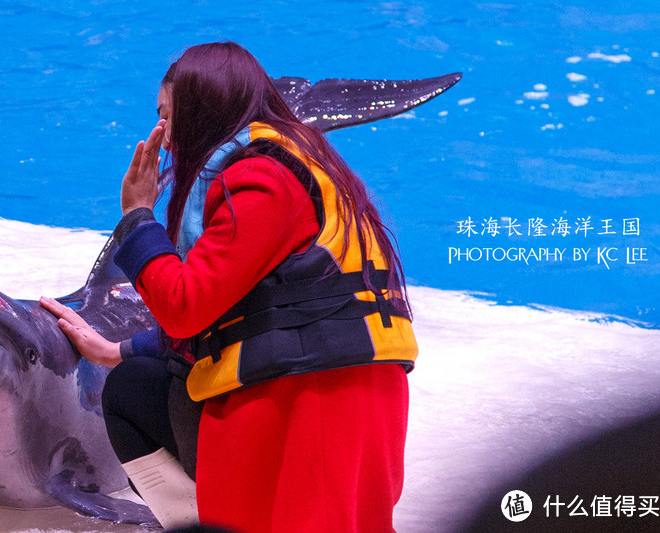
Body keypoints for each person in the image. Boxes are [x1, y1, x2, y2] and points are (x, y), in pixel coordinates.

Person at [41, 41, 417, 532]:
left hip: (316, 408)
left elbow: (185, 306)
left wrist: (137, 217)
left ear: (203, 111)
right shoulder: (294, 160)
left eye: (169, 116)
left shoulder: (262, 179)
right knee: (132, 389)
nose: (164, 136)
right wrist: (119, 350)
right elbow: (265, 313)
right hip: (333, 395)